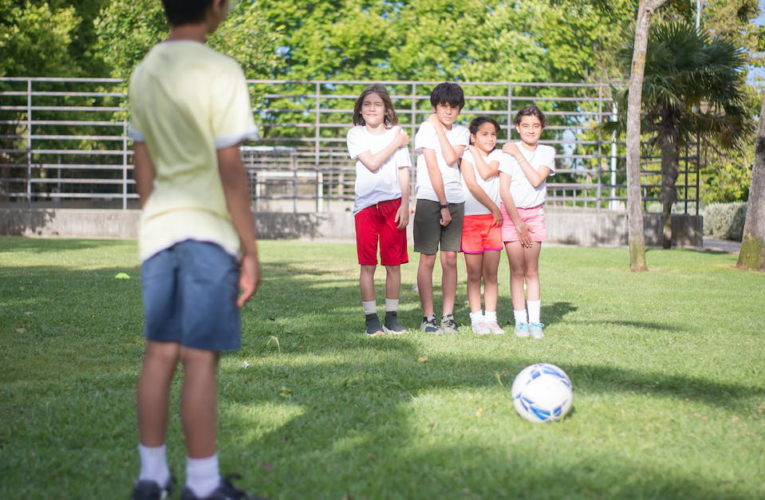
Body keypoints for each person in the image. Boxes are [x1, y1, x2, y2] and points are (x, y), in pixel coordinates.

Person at [128, 1, 264, 499]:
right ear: (216, 7)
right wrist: (249, 250)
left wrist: (156, 218)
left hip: (159, 230)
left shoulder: (144, 71)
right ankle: (204, 486)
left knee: (159, 352)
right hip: (207, 232)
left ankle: (152, 478)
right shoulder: (220, 69)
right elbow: (229, 169)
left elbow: (142, 161)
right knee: (200, 357)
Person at [346, 84, 412, 337]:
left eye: (377, 104)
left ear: (386, 109)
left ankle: (392, 319)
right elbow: (372, 162)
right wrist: (395, 142)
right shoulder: (356, 134)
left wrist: (405, 203)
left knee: (393, 264)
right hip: (365, 206)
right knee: (368, 264)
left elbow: (403, 169)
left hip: (393, 205)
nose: (372, 108)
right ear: (361, 110)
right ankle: (371, 319)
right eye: (367, 104)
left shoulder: (397, 132)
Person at [413, 82, 470, 334]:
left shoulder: (461, 132)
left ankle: (448, 317)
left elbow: (449, 159)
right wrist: (442, 204)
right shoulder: (425, 129)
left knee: (450, 259)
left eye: (453, 107)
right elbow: (433, 167)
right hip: (429, 199)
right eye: (443, 107)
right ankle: (428, 317)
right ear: (435, 106)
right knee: (428, 259)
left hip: (456, 200)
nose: (448, 112)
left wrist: (438, 126)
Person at [498, 105, 556, 339]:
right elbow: (504, 190)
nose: (530, 130)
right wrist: (517, 223)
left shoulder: (546, 152)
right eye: (525, 126)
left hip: (534, 215)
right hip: (512, 215)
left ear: (542, 128)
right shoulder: (506, 154)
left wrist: (518, 154)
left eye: (535, 126)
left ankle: (535, 323)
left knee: (532, 270)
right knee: (517, 270)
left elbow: (536, 179)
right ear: (517, 127)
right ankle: (521, 322)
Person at [460, 116, 508, 335]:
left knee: (491, 273)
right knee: (473, 274)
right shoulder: (465, 155)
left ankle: (491, 318)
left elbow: (488, 173)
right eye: (484, 134)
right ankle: (476, 318)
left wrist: (475, 152)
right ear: (473, 136)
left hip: (493, 223)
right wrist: (494, 207)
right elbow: (472, 184)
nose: (490, 138)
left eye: (493, 134)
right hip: (471, 221)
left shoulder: (498, 155)